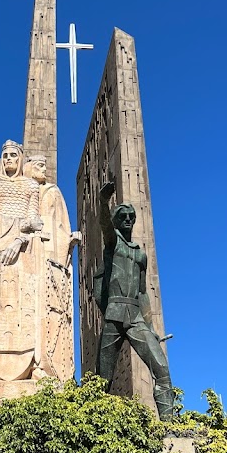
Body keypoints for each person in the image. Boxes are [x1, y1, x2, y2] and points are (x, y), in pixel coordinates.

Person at [94, 180, 174, 420]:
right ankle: (94, 423)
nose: (128, 220)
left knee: (162, 369)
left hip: (136, 317)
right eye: (123, 216)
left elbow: (142, 293)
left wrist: (151, 328)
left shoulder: (140, 254)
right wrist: (102, 201)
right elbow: (104, 224)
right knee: (102, 380)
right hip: (114, 314)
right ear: (117, 220)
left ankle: (170, 426)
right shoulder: (113, 244)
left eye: (131, 216)